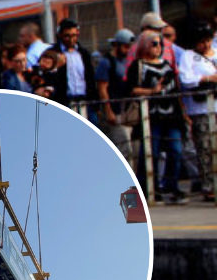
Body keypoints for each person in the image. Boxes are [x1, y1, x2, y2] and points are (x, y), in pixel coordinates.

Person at [126, 32, 189, 204]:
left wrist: (183, 113)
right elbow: (132, 89)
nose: (158, 47)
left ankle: (172, 186)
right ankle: (149, 189)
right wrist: (152, 91)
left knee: (175, 150)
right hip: (151, 117)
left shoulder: (167, 65)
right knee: (150, 153)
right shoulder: (138, 66)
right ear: (145, 45)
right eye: (154, 44)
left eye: (160, 43)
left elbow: (176, 91)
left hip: (171, 116)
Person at [178, 24, 217, 202]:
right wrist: (207, 78)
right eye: (202, 42)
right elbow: (186, 79)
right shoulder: (189, 57)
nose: (206, 45)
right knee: (204, 147)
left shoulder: (215, 53)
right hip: (200, 109)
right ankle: (209, 186)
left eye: (208, 41)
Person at [96, 29, 137, 167]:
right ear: (117, 45)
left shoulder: (128, 61)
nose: (128, 50)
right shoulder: (106, 62)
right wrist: (108, 111)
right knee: (123, 148)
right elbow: (102, 88)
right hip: (115, 110)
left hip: (128, 111)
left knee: (132, 149)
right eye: (125, 47)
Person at [48, 19, 96, 109]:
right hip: (64, 101)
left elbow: (90, 77)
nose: (71, 40)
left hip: (85, 100)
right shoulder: (53, 53)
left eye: (74, 36)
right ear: (60, 35)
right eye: (67, 36)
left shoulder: (83, 53)